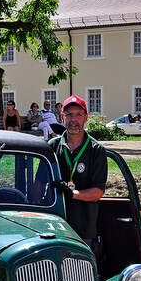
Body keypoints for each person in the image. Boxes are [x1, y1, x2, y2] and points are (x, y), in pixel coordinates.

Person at [48, 95, 108, 252]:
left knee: (79, 272)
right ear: (62, 117)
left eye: (78, 115)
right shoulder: (52, 147)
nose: (73, 120)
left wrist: (71, 193)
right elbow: (38, 185)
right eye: (69, 115)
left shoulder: (97, 150)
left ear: (86, 117)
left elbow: (97, 192)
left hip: (83, 229)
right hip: (54, 226)